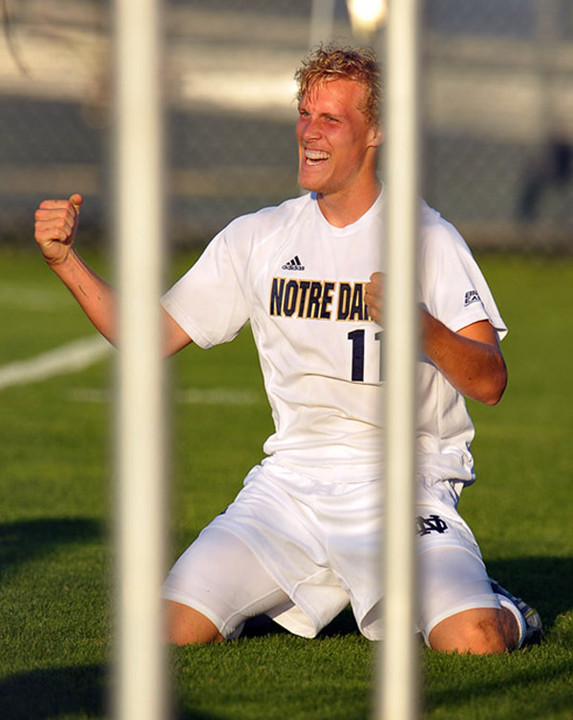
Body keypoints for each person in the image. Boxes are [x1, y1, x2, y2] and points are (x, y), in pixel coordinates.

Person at [34, 44, 541, 653]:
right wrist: (66, 262)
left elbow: (490, 381)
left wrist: (421, 326)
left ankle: (505, 604)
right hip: (288, 491)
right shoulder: (259, 237)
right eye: (304, 114)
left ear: (376, 131)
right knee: (166, 632)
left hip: (405, 487)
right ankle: (294, 590)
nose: (310, 133)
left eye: (331, 119)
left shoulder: (427, 237)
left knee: (475, 641)